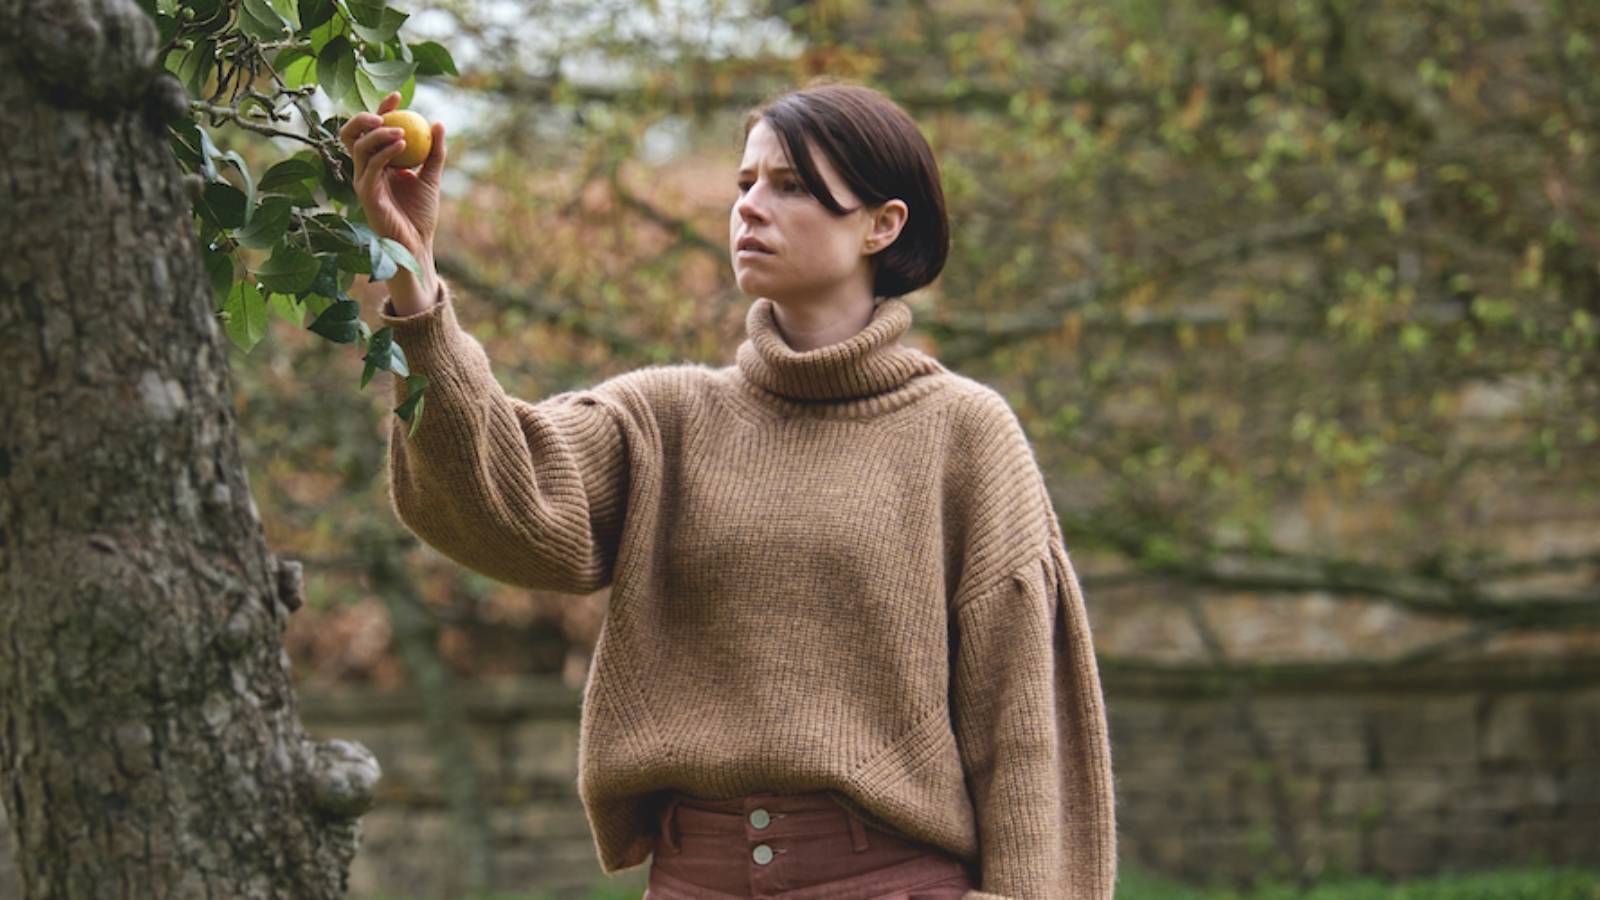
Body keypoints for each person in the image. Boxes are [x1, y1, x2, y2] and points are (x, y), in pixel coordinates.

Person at [340, 77, 1116, 899]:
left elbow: (1028, 730)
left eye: (789, 186)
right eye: (745, 183)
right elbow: (498, 499)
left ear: (882, 226)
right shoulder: (665, 418)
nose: (750, 207)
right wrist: (412, 272)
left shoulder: (964, 433)